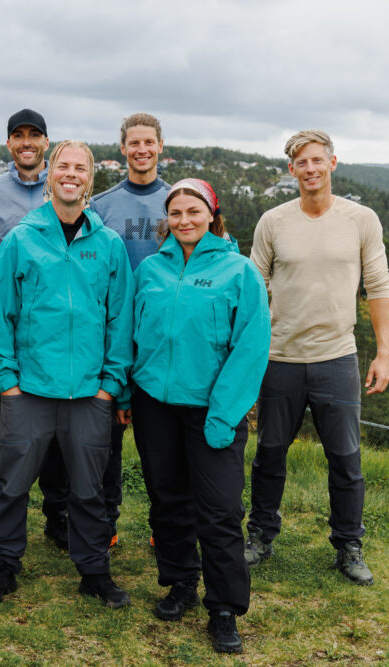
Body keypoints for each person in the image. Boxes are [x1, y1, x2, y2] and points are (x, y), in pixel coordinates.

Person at [0, 140, 133, 609]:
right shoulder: (21, 240)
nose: (71, 174)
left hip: (89, 394)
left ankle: (94, 571)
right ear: (50, 174)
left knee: (88, 489)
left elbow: (120, 321)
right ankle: (2, 566)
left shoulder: (109, 245)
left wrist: (109, 386)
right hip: (29, 390)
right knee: (11, 486)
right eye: (63, 165)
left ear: (89, 179)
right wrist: (8, 383)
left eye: (80, 168)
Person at [124, 178, 269, 654]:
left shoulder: (239, 271)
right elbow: (130, 334)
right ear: (167, 220)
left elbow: (251, 348)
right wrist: (126, 393)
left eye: (193, 211)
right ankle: (181, 581)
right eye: (176, 213)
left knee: (220, 510)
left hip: (213, 409)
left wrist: (224, 414)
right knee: (167, 501)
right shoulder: (150, 269)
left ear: (212, 215)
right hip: (154, 405)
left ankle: (224, 607)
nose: (184, 220)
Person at [246, 130, 389, 586]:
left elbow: (378, 287)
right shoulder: (273, 221)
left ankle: (349, 545)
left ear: (332, 163)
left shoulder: (361, 219)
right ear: (291, 169)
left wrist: (383, 354)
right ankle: (260, 535)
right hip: (280, 357)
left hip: (337, 358)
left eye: (317, 160)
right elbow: (253, 289)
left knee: (346, 458)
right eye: (301, 162)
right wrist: (246, 354)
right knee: (269, 454)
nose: (309, 168)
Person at [0, 108, 70, 549]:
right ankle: (3, 513)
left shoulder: (66, 187)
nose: (27, 142)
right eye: (19, 135)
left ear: (46, 142)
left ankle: (57, 514)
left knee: (57, 434)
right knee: (3, 428)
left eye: (35, 135)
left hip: (58, 336)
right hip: (10, 334)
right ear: (9, 143)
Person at [90, 112, 170, 546]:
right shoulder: (102, 206)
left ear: (160, 146)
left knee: (163, 440)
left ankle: (165, 525)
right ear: (122, 148)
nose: (141, 149)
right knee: (107, 438)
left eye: (148, 142)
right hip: (114, 334)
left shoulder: (177, 200)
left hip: (163, 335)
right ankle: (106, 523)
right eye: (133, 142)